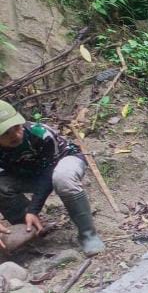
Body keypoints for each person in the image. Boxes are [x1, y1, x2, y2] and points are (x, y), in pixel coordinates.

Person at [0, 100, 105, 255]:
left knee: (62, 178)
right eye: (5, 133)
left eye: (16, 127)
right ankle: (30, 229)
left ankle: (88, 234)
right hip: (26, 173)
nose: (15, 135)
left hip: (62, 162)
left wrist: (33, 208)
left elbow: (49, 172)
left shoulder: (39, 133)